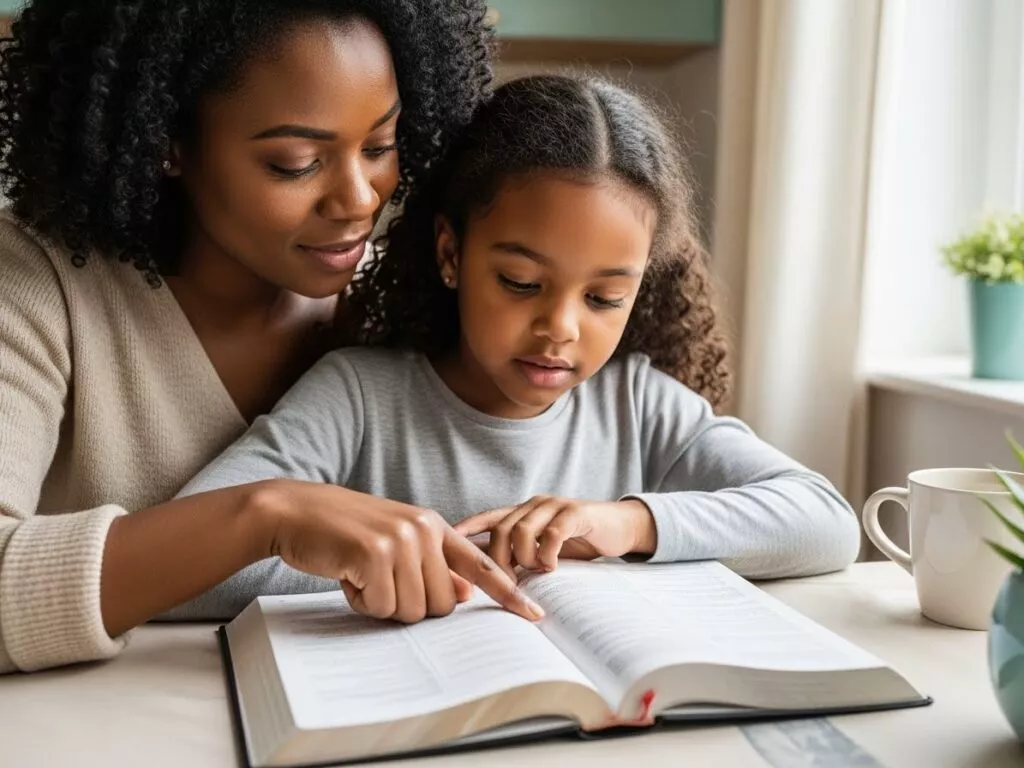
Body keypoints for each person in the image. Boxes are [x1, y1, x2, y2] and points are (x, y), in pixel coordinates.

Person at [171, 74, 861, 621]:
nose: (560, 327)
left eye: (603, 298)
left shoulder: (639, 404)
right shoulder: (357, 396)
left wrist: (626, 522)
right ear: (451, 253)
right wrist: (385, 561)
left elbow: (826, 522)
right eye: (521, 282)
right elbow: (186, 560)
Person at [0, 0, 543, 676]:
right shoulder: (31, 282)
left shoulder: (399, 302)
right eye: (295, 163)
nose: (360, 201)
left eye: (379, 146)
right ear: (167, 140)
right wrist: (264, 515)